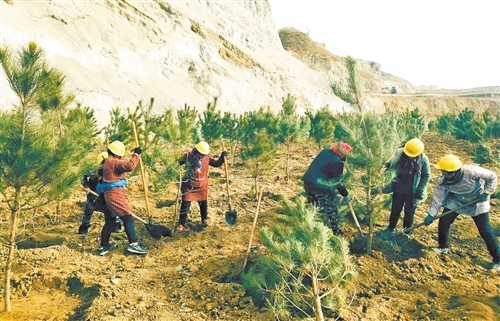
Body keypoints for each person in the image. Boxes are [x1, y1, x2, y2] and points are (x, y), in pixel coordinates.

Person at [424, 154, 499, 271]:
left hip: (477, 200)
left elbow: (492, 176)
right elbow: (438, 199)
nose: (442, 174)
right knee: (444, 222)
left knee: (485, 230)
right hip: (457, 201)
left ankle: (498, 260)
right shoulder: (442, 182)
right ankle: (443, 247)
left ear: (453, 172)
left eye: (444, 171)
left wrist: (487, 192)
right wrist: (431, 214)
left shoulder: (472, 172)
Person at [96, 140, 147, 256]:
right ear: (118, 154)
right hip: (116, 196)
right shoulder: (113, 162)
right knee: (127, 217)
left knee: (110, 221)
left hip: (108, 196)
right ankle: (133, 245)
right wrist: (136, 154)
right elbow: (129, 166)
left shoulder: (106, 163)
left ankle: (104, 246)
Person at [379, 138, 431, 239]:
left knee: (409, 211)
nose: (410, 156)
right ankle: (391, 228)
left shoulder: (423, 159)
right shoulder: (398, 153)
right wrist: (383, 176)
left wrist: (420, 189)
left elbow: (426, 175)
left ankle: (407, 231)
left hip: (413, 190)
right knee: (395, 209)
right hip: (398, 187)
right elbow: (387, 164)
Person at [302, 142, 352, 236]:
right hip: (320, 187)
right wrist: (345, 194)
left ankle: (311, 229)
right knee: (331, 210)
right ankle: (335, 234)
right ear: (341, 152)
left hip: (308, 183)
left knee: (314, 207)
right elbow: (337, 181)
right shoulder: (337, 162)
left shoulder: (325, 152)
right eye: (346, 155)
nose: (346, 158)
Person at [176, 141, 226, 231]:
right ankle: (181, 224)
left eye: (204, 154)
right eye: (201, 154)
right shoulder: (188, 156)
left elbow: (216, 164)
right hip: (189, 185)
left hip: (202, 185)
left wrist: (222, 157)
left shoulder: (207, 158)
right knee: (185, 205)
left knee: (203, 203)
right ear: (197, 151)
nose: (203, 156)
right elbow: (178, 163)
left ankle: (204, 219)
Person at [78, 151, 121, 235]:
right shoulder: (92, 169)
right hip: (93, 192)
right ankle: (84, 227)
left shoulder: (113, 170)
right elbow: (82, 175)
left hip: (107, 193)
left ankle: (115, 225)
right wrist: (86, 185)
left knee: (112, 209)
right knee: (89, 209)